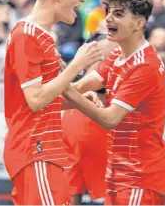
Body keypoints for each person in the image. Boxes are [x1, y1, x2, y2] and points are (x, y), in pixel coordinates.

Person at [2, 0, 103, 205]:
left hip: (44, 151)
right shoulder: (27, 34)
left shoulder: (41, 35)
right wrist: (77, 65)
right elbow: (36, 100)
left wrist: (80, 96)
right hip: (35, 150)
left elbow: (49, 99)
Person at [63, 0, 165, 205]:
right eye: (109, 12)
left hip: (141, 177)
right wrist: (38, 103)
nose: (109, 19)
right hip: (118, 174)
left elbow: (110, 118)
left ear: (139, 23)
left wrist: (71, 71)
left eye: (118, 14)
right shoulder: (117, 56)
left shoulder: (145, 65)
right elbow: (79, 88)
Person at [62, 38, 118, 205]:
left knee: (70, 187)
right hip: (96, 117)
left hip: (73, 117)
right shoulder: (112, 47)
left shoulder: (96, 47)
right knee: (113, 187)